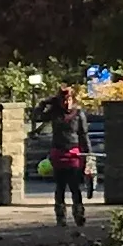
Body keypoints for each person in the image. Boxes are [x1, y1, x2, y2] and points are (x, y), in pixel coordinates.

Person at [43, 84, 90, 228]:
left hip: (74, 153)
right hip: (58, 153)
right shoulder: (54, 113)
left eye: (69, 100)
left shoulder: (78, 114)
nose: (67, 103)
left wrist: (88, 156)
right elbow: (36, 116)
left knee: (75, 186)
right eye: (64, 100)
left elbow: (84, 135)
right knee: (60, 186)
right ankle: (61, 217)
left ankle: (79, 214)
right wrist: (45, 103)